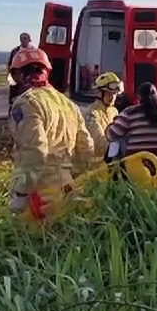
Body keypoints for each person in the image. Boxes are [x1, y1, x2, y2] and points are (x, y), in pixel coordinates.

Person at [6, 46, 97, 224]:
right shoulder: (68, 103)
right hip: (68, 188)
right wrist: (75, 178)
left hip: (40, 193)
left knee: (29, 245)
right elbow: (87, 148)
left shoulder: (26, 103)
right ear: (46, 70)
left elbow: (36, 150)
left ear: (17, 74)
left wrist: (21, 193)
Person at [106, 82, 157, 175]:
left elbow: (111, 135)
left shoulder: (129, 112)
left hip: (136, 165)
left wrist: (110, 126)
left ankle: (112, 174)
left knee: (118, 140)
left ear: (139, 98)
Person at [85, 71, 123, 158]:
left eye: (115, 94)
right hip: (96, 164)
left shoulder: (114, 111)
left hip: (111, 161)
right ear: (99, 93)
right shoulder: (91, 114)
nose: (113, 97)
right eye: (109, 93)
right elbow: (100, 142)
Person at [7, 32, 33, 108]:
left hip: (27, 79)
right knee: (14, 97)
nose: (23, 40)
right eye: (21, 38)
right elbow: (10, 63)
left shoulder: (32, 51)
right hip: (15, 76)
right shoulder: (15, 51)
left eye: (25, 38)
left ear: (29, 40)